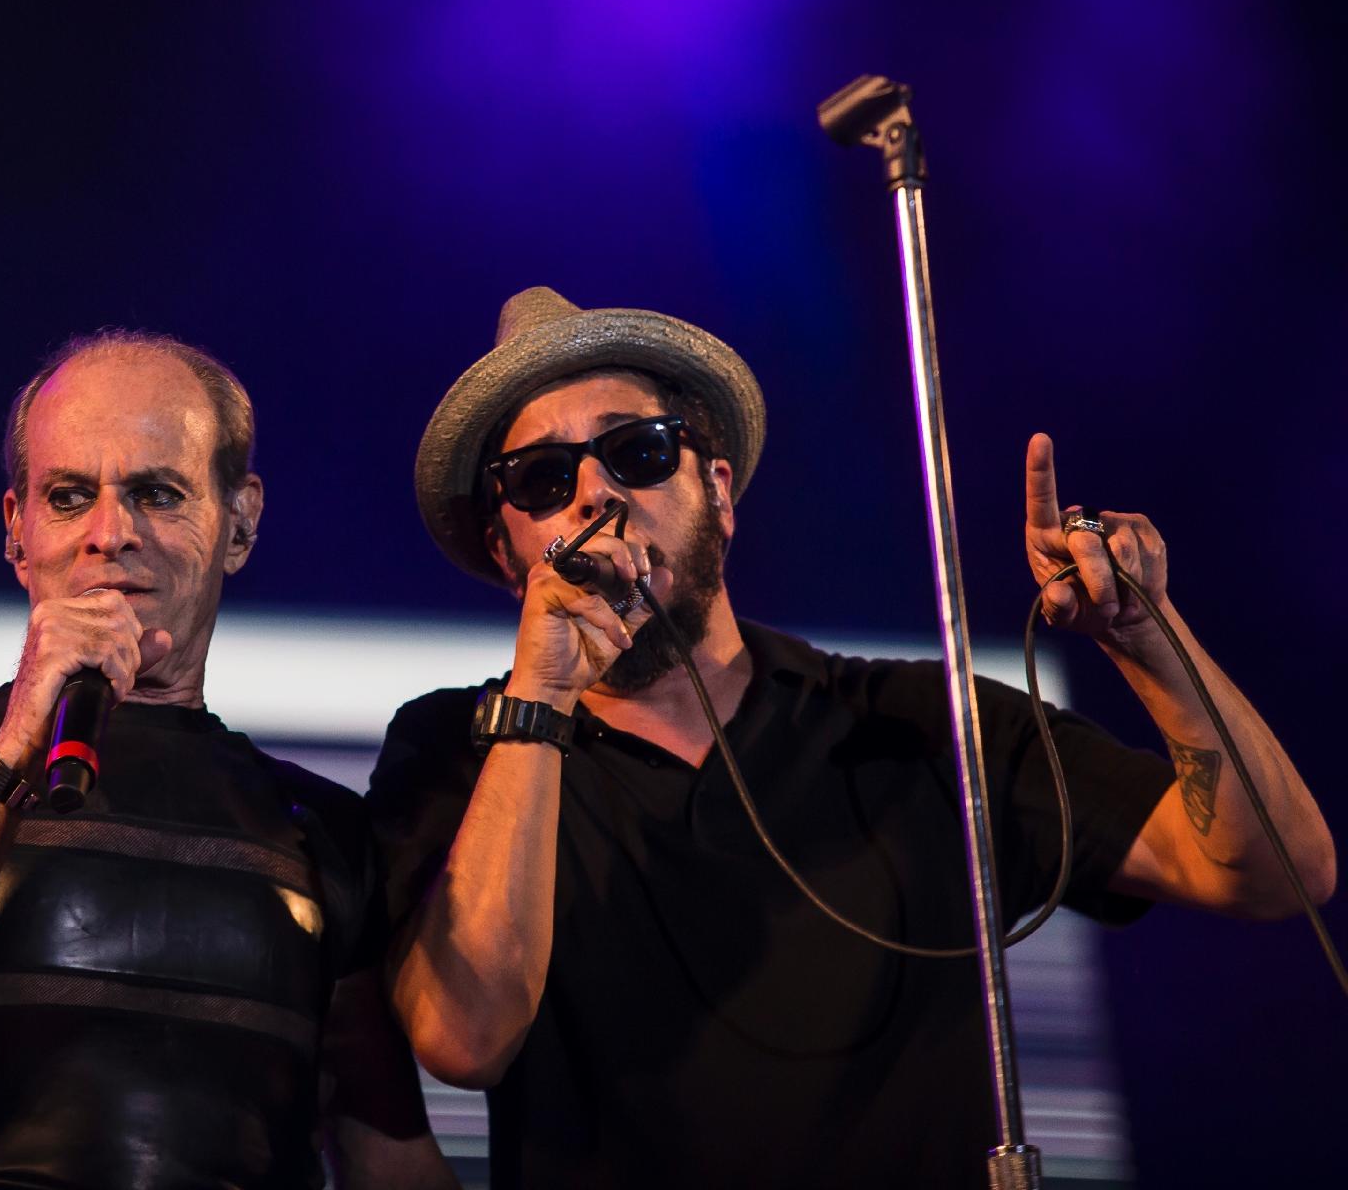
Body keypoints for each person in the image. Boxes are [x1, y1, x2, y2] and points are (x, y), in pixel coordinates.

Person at [369, 286, 1336, 1188]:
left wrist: (1147, 640)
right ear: (508, 553)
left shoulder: (917, 723)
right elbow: (462, 1039)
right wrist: (539, 700)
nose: (594, 496)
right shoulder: (458, 748)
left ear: (717, 488)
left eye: (638, 452)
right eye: (542, 479)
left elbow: (1272, 867)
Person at [0, 332, 454, 1188]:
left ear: (240, 522)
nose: (110, 533)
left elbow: (388, 1160)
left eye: (156, 493)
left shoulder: (324, 828)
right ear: (16, 530)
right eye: (68, 496)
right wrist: (10, 753)